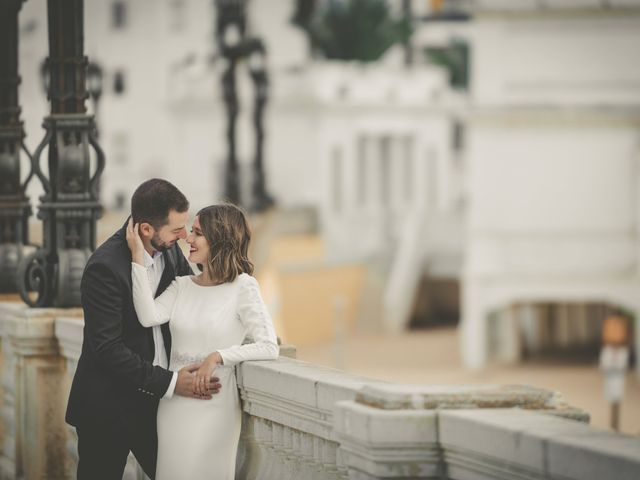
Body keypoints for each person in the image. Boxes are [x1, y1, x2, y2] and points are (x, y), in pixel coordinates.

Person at [66, 179, 222, 480]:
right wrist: (172, 382)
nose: (184, 236)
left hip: (157, 406)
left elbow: (190, 302)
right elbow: (107, 349)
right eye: (177, 230)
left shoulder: (172, 252)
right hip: (108, 407)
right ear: (146, 229)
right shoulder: (105, 267)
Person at [126, 203, 279, 480]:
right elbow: (147, 316)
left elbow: (269, 345)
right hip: (173, 406)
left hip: (213, 405)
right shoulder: (181, 285)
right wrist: (138, 256)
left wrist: (217, 356)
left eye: (197, 233)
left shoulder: (243, 287)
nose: (188, 238)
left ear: (219, 239)